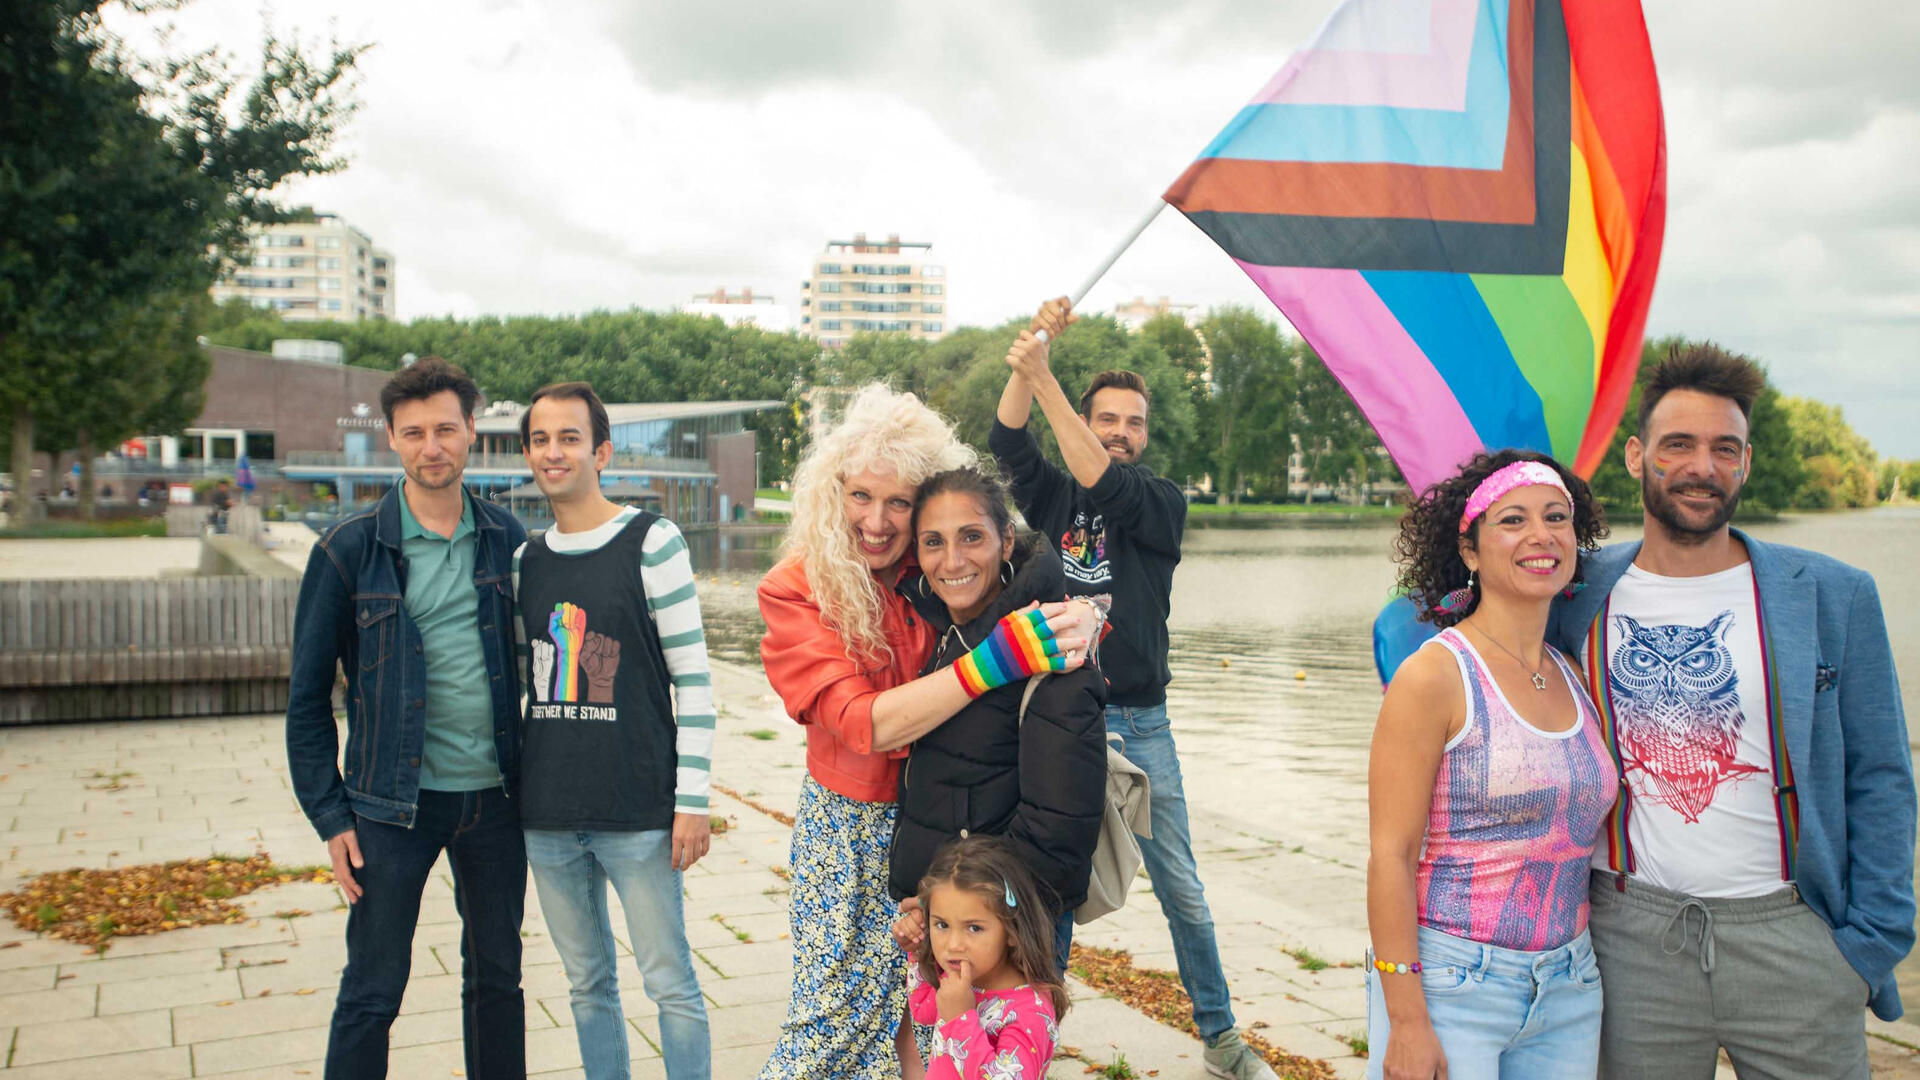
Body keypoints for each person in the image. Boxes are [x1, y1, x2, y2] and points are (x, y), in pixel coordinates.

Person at [1546, 344, 1915, 1079]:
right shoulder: (1573, 593)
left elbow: (1882, 777)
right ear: (1636, 455)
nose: (1702, 467)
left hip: (1795, 940)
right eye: (1678, 444)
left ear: (1745, 463)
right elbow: (1465, 636)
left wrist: (1869, 946)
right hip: (1630, 943)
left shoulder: (1834, 594)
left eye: (1724, 448)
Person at [755, 384, 1098, 1080]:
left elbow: (1008, 563)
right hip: (848, 827)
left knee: (923, 1030)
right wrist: (993, 662)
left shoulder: (927, 567)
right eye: (860, 496)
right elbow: (862, 723)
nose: (876, 521)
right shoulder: (797, 586)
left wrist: (1085, 617)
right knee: (826, 1024)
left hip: (946, 838)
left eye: (899, 502)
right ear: (832, 493)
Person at [992, 299, 1275, 1078]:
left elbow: (1105, 479)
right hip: (1061, 719)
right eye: (1107, 419)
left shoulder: (1160, 501)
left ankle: (1221, 1041)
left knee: (1181, 890)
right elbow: (1007, 440)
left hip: (1143, 726)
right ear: (1086, 421)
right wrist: (1030, 360)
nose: (1121, 431)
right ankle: (1028, 1043)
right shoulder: (1056, 499)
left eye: (1134, 422)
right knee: (1048, 886)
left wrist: (1045, 379)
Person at [285, 357, 529, 1080]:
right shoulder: (348, 549)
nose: (432, 447)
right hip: (390, 809)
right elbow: (306, 700)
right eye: (415, 432)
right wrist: (330, 816)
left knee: (498, 982)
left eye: (446, 429)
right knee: (373, 990)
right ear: (391, 437)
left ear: (472, 431)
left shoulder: (506, 536)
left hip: (496, 802)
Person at [1367, 450, 1615, 1080]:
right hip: (1453, 984)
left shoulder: (1574, 672)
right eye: (1512, 520)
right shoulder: (1434, 675)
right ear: (1470, 551)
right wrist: (1407, 1021)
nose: (1541, 535)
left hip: (1570, 986)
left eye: (1556, 517)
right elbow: (1391, 855)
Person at [511, 382, 713, 1080]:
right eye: (540, 439)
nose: (553, 452)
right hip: (547, 815)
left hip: (638, 812)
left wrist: (692, 802)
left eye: (569, 438)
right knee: (586, 986)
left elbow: (694, 681)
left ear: (601, 452)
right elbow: (527, 684)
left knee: (670, 983)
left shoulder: (652, 541)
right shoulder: (526, 561)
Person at [885, 467, 1108, 977]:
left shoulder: (1050, 651)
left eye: (972, 537)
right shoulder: (946, 634)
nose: (952, 561)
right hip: (950, 926)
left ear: (1007, 540)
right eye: (934, 542)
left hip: (1005, 939)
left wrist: (947, 904)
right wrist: (932, 908)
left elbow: (1057, 842)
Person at [907, 835, 1069, 1080]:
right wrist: (918, 951)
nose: (953, 945)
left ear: (1012, 931)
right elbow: (922, 1010)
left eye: (974, 928)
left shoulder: (1028, 1012)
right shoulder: (961, 978)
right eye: (942, 925)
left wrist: (960, 1019)